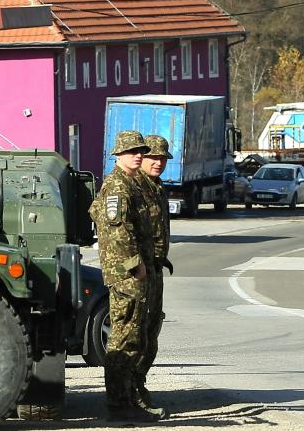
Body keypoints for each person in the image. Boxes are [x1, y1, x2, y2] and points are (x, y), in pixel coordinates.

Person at [89, 131, 165, 423]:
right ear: (118, 155)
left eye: (140, 151)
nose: (138, 155)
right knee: (124, 337)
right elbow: (118, 230)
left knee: (139, 334)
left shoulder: (133, 184)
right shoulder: (118, 186)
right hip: (126, 274)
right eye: (132, 151)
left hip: (137, 272)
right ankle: (119, 405)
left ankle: (131, 397)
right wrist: (136, 265)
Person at [136, 134, 175, 414]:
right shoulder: (133, 188)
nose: (158, 162)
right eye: (153, 157)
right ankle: (128, 394)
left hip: (154, 269)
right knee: (133, 335)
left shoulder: (157, 188)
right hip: (138, 272)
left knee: (151, 333)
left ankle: (139, 385)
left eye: (162, 158)